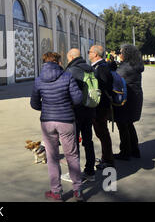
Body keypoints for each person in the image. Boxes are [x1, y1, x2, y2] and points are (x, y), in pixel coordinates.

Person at [30, 52, 84, 202]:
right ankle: (78, 190)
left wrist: (47, 108)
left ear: (44, 62)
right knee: (71, 155)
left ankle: (56, 192)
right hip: (66, 120)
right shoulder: (67, 76)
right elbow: (78, 99)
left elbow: (34, 103)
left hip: (47, 122)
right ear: (58, 61)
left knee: (52, 157)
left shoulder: (39, 80)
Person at [61, 48, 96, 183]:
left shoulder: (71, 71)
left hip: (76, 111)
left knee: (73, 143)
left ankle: (74, 173)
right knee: (88, 141)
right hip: (90, 109)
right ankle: (90, 171)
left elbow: (67, 92)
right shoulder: (90, 68)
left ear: (70, 57)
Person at [113, 44, 144, 160]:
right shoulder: (135, 64)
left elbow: (115, 77)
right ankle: (134, 150)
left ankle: (125, 152)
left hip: (127, 99)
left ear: (126, 54)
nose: (119, 54)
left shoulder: (126, 67)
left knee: (123, 125)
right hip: (135, 97)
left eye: (121, 52)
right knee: (129, 124)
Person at [88, 45, 115, 170]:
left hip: (100, 107)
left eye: (90, 52)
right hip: (99, 106)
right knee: (101, 133)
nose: (88, 54)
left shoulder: (102, 67)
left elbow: (103, 88)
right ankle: (106, 157)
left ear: (96, 54)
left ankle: (108, 160)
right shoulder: (99, 66)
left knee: (102, 133)